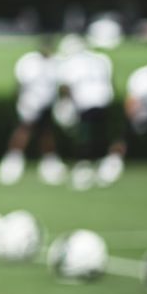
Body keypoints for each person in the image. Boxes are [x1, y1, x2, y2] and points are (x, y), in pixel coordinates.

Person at [56, 37, 124, 189]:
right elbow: (110, 81)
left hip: (85, 101)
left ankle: (84, 166)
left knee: (85, 136)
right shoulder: (101, 59)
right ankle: (108, 162)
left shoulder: (70, 63)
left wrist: (64, 105)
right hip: (104, 99)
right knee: (103, 134)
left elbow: (66, 87)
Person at [0, 37, 60, 185]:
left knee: (46, 133)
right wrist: (22, 102)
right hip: (30, 103)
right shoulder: (29, 62)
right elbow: (19, 84)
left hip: (47, 104)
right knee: (24, 130)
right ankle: (13, 161)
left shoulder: (55, 63)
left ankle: (49, 162)